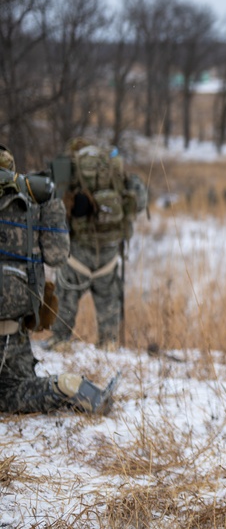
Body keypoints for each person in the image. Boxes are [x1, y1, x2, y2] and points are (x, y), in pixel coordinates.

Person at [0, 143, 117, 413]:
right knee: (13, 392)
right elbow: (57, 256)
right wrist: (51, 205)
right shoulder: (32, 200)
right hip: (14, 337)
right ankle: (63, 386)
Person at [47, 138, 148, 349]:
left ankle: (59, 339)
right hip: (109, 253)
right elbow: (137, 202)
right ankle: (109, 342)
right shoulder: (112, 169)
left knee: (66, 295)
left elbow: (55, 205)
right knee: (109, 298)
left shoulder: (72, 169)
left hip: (78, 253)